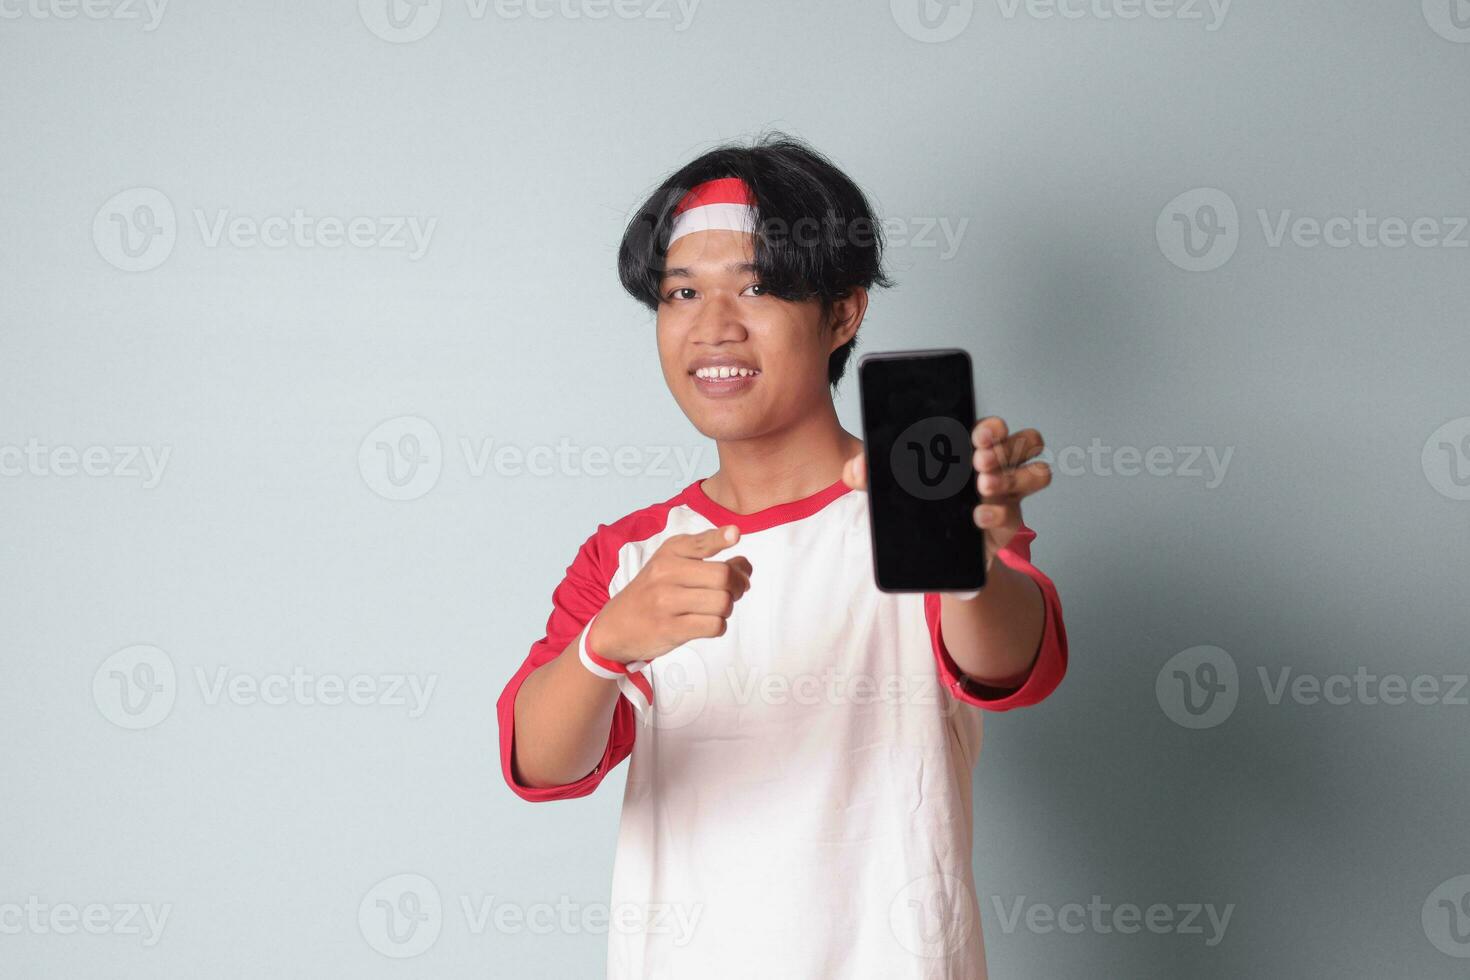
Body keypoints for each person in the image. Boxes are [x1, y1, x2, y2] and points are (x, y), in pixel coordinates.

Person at [496, 134, 1068, 979]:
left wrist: (968, 561)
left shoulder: (919, 507)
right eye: (682, 292)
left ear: (842, 312)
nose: (713, 327)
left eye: (757, 287)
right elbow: (540, 762)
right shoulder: (630, 556)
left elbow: (1012, 666)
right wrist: (604, 645)